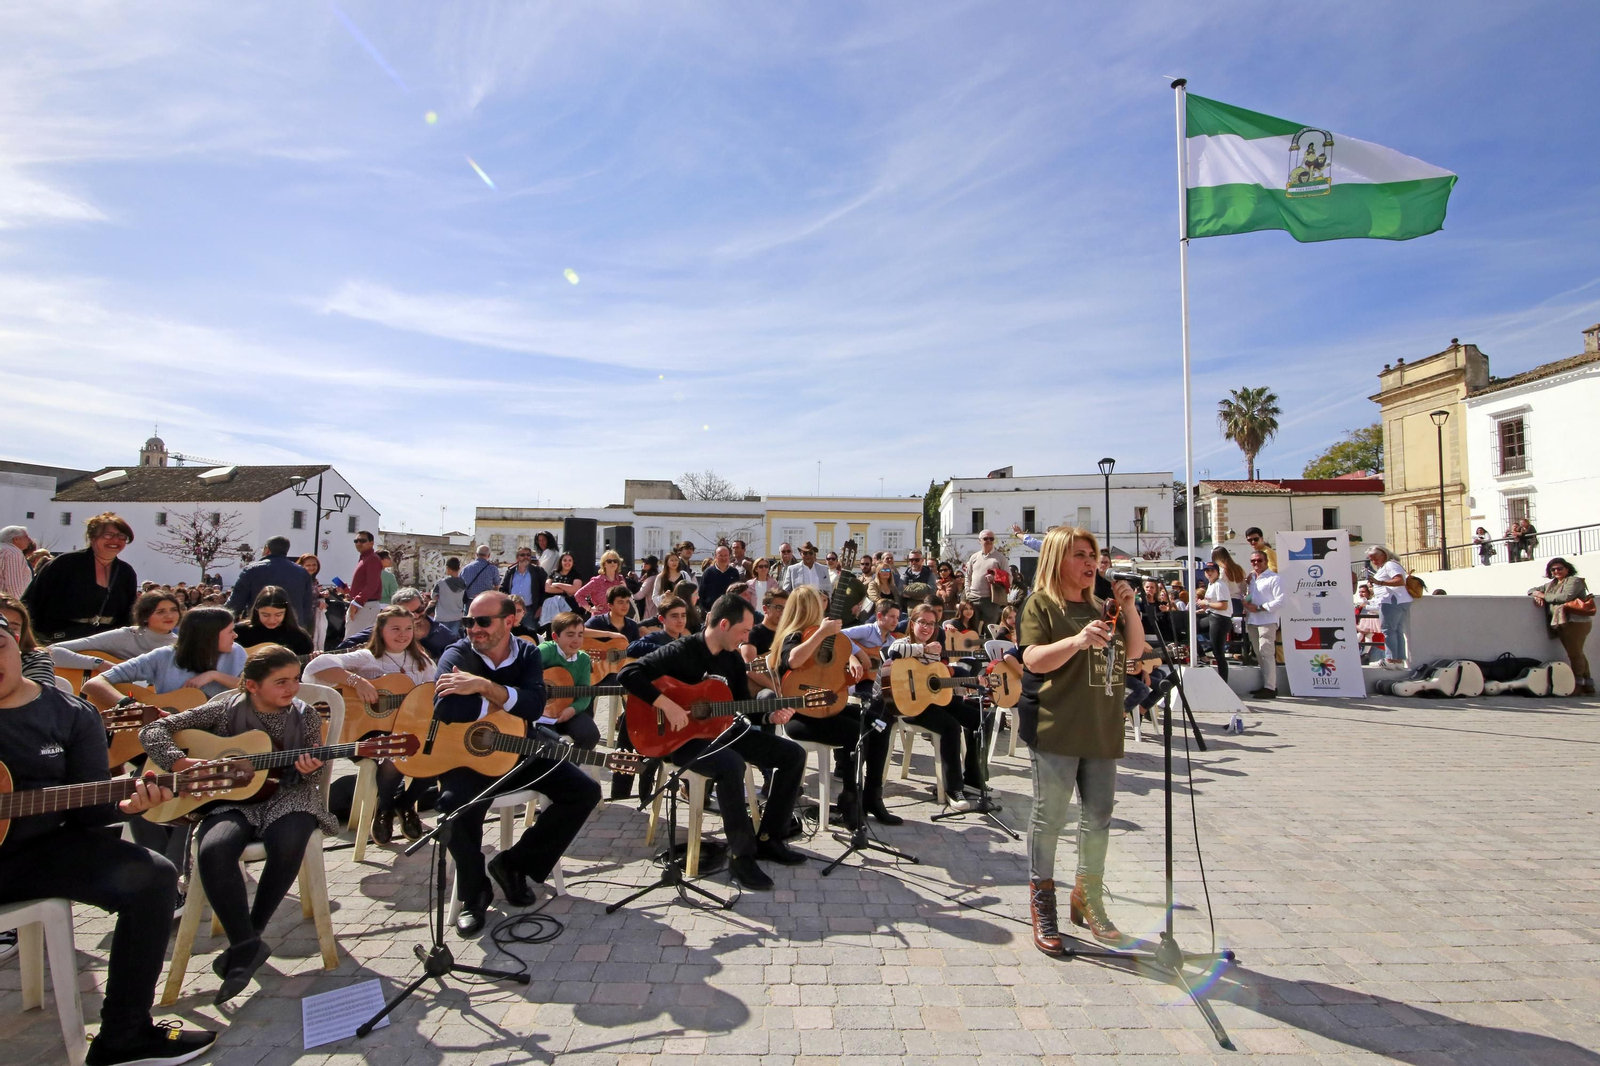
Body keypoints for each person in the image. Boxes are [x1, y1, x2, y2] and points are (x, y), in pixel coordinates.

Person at [0, 614, 217, 1065]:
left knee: (154, 876)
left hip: (35, 853)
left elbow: (92, 812)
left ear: (17, 646)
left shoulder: (67, 714)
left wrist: (130, 805)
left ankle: (124, 1035)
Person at [140, 644, 335, 1005]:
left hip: (288, 794)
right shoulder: (223, 710)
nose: (292, 688)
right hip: (230, 801)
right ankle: (247, 945)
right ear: (251, 686)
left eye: (295, 679)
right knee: (214, 850)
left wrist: (313, 766)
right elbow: (154, 731)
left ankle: (248, 939)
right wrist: (182, 764)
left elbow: (313, 766)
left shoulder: (305, 715)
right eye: (280, 682)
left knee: (291, 837)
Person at [434, 592, 601, 936]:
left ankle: (513, 864)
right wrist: (505, 699)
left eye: (483, 622)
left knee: (584, 791)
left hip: (521, 749)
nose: (473, 629)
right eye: (469, 622)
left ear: (509, 621)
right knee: (452, 806)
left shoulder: (525, 653)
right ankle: (474, 891)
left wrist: (482, 686)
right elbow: (446, 709)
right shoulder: (457, 653)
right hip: (469, 759)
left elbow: (533, 705)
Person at [617, 594, 808, 891]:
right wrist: (667, 705)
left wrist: (771, 718)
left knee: (792, 754)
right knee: (730, 765)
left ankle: (771, 838)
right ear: (723, 624)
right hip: (679, 738)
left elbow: (743, 705)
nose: (746, 637)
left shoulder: (731, 659)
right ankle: (740, 857)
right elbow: (628, 673)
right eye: (743, 631)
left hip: (722, 732)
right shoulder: (683, 650)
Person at [1019, 526, 1146, 955]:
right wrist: (1076, 640)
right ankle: (1043, 898)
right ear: (1058, 560)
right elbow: (1032, 659)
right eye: (1080, 555)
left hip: (1101, 724)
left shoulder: (1105, 605)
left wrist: (1129, 608)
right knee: (1050, 817)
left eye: (1092, 554)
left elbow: (1134, 653)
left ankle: (1087, 895)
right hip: (1057, 726)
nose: (1091, 562)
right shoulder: (1042, 605)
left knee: (1099, 818)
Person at [306, 605, 437, 842]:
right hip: (365, 733)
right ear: (381, 630)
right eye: (395, 628)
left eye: (408, 628)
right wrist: (356, 681)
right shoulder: (367, 658)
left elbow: (431, 695)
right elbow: (316, 666)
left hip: (410, 731)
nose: (403, 634)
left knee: (440, 751)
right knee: (396, 752)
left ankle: (404, 804)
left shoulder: (423, 663)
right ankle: (384, 810)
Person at [774, 589, 898, 828]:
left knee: (879, 723)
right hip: (800, 715)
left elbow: (837, 652)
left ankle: (873, 796)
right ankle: (849, 799)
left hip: (827, 706)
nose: (822, 610)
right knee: (854, 732)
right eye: (817, 606)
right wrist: (821, 632)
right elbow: (793, 660)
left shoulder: (817, 635)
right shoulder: (793, 635)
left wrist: (850, 658)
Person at [877, 603, 990, 811]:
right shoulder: (903, 642)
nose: (927, 628)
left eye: (931, 624)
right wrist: (924, 648)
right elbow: (892, 652)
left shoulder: (937, 652)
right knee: (951, 727)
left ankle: (974, 777)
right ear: (912, 624)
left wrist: (969, 684)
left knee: (980, 719)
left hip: (931, 702)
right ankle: (952, 788)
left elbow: (935, 684)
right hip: (910, 707)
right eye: (922, 623)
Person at [85, 607, 247, 706]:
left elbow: (253, 687)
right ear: (209, 636)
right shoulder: (163, 656)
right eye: (229, 631)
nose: (235, 635)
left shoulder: (236, 652)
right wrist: (126, 704)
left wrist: (214, 675)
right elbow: (94, 684)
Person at [24, 511, 139, 642]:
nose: (115, 540)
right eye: (108, 535)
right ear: (92, 537)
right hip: (61, 640)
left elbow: (129, 614)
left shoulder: (126, 572)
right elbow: (31, 601)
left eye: (121, 536)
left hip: (106, 643)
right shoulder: (64, 563)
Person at [48, 590, 182, 672]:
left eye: (174, 610)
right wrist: (99, 664)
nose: (169, 616)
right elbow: (51, 651)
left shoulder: (181, 645)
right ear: (145, 616)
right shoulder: (126, 636)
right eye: (160, 612)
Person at [537, 612, 602, 750]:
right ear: (555, 637)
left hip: (568, 711)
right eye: (570, 635)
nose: (576, 640)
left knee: (590, 735)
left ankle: (568, 769)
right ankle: (552, 769)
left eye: (580, 634)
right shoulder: (546, 651)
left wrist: (572, 710)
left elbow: (584, 694)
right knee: (549, 745)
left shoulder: (583, 659)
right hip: (541, 713)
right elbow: (524, 675)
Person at [225, 536, 315, 633]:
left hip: (259, 629)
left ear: (267, 549)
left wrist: (221, 621)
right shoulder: (302, 572)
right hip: (292, 630)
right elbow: (307, 606)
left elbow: (235, 603)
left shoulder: (252, 570)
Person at [337, 587, 455, 660]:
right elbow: (345, 646)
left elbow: (458, 657)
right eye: (408, 614)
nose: (417, 616)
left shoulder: (441, 632)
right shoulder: (382, 629)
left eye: (419, 610)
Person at [1531, 558, 1593, 695]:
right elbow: (1533, 589)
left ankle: (1578, 685)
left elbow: (1565, 597)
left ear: (1567, 569)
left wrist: (1543, 596)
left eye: (1560, 568)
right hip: (1562, 622)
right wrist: (1536, 594)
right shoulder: (1551, 585)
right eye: (1553, 569)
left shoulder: (1574, 581)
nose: (1556, 571)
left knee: (1574, 654)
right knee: (1577, 653)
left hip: (1576, 622)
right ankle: (1588, 684)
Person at [1242, 549, 1284, 699]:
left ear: (1266, 561)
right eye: (1253, 561)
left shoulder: (1274, 578)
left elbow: (1281, 600)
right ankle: (1267, 684)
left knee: (1266, 652)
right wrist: (1246, 601)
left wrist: (1260, 608)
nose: (1256, 563)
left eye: (1259, 560)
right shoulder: (1252, 579)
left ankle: (1270, 687)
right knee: (1259, 653)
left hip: (1267, 620)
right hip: (1253, 620)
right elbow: (1253, 595)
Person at [1199, 549, 1245, 680]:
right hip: (1230, 605)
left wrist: (1206, 604)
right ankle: (1203, 656)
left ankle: (1223, 680)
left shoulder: (1220, 581)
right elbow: (1243, 587)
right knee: (1191, 627)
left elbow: (1223, 604)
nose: (1208, 573)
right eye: (1206, 571)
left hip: (1222, 611)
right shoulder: (1237, 569)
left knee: (1218, 651)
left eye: (1211, 570)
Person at [231, 586, 314, 656]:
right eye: (265, 615)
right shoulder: (240, 632)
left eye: (278, 615)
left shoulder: (299, 637)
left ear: (286, 612)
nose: (271, 620)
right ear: (257, 611)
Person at [1365, 545, 1412, 668]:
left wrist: (1379, 582)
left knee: (1388, 630)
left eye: (1376, 558)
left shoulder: (1390, 565)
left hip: (1391, 601)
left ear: (1384, 554)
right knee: (1396, 630)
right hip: (1398, 601)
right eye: (1371, 559)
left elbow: (1399, 580)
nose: (1374, 562)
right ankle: (1398, 661)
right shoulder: (1389, 565)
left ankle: (1390, 660)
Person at [964, 530, 1009, 628]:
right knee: (972, 629)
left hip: (991, 600)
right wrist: (968, 592)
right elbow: (967, 576)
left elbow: (1009, 577)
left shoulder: (1000, 558)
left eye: (991, 539)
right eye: (985, 538)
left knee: (990, 629)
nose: (989, 540)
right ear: (979, 540)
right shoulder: (974, 557)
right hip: (973, 598)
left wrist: (995, 578)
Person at [346, 531, 385, 634]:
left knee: (351, 640)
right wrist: (348, 591)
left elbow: (372, 584)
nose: (359, 543)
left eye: (362, 541)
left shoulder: (372, 558)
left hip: (366, 605)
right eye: (356, 541)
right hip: (365, 604)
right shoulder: (365, 558)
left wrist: (357, 602)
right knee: (357, 641)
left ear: (371, 543)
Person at [498, 546, 548, 623]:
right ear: (517, 558)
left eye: (528, 555)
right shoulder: (510, 572)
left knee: (529, 634)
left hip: (531, 610)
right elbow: (502, 589)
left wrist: (541, 607)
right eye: (522, 555)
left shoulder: (538, 571)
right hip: (512, 610)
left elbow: (545, 590)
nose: (526, 557)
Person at [575, 550, 627, 615]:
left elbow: (626, 599)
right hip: (600, 619)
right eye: (609, 561)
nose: (612, 563)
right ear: (604, 564)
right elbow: (579, 595)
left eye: (615, 561)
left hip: (618, 617)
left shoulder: (620, 579)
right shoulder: (597, 581)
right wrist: (589, 609)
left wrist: (625, 589)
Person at [540, 552, 584, 629]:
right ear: (561, 561)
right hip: (552, 606)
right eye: (565, 560)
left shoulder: (576, 574)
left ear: (573, 562)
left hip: (570, 606)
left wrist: (557, 584)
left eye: (570, 560)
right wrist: (564, 591)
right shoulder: (553, 573)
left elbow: (574, 589)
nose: (567, 562)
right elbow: (548, 588)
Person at [297, 553, 329, 651]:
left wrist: (321, 594)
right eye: (308, 565)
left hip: (312, 616)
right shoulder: (300, 579)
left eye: (314, 565)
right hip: (302, 617)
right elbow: (300, 598)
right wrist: (317, 604)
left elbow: (311, 595)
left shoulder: (313, 580)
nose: (311, 568)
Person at [432, 556, 467, 636]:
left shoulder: (440, 583)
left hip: (442, 617)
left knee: (441, 640)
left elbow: (434, 597)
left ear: (449, 569)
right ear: (459, 568)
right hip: (457, 617)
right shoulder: (463, 584)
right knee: (452, 640)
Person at [460, 544, 500, 608]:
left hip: (470, 602)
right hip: (486, 602)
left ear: (476, 554)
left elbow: (461, 584)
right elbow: (497, 586)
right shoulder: (493, 569)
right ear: (489, 555)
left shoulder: (466, 568)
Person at [0, 524, 34, 598]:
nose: (29, 540)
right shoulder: (13, 553)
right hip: (6, 604)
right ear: (16, 539)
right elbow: (14, 585)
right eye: (26, 537)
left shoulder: (3, 550)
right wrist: (20, 606)